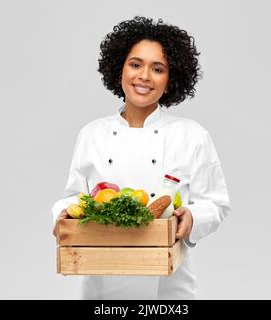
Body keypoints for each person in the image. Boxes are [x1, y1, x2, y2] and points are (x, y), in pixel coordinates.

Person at [51, 16, 231, 300]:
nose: (144, 76)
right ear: (119, 70)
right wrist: (62, 212)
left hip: (169, 288)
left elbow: (217, 203)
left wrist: (192, 217)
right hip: (102, 285)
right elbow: (75, 197)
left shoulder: (192, 135)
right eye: (135, 65)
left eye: (157, 69)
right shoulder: (92, 134)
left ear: (170, 80)